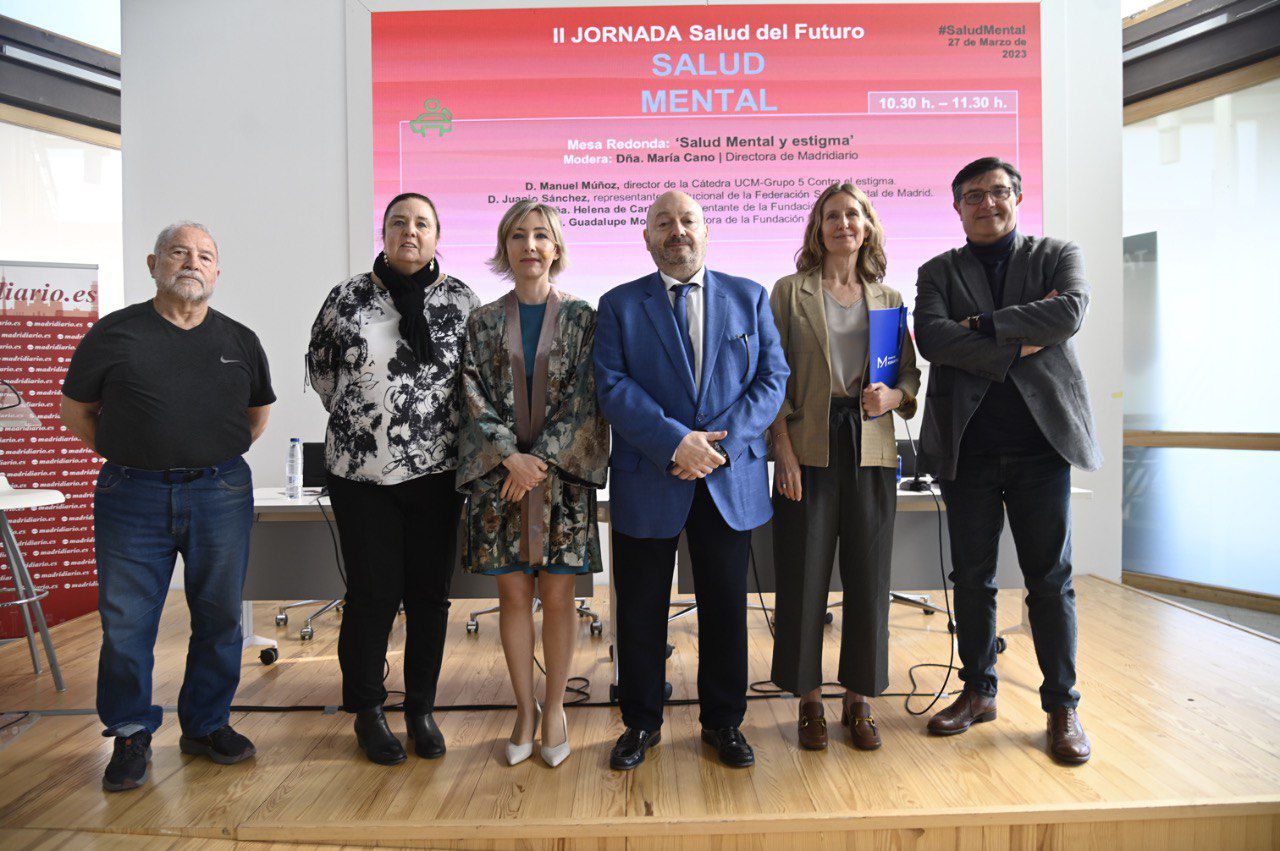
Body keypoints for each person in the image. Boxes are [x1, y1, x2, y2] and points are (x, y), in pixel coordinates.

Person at [60, 221, 274, 792]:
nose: (192, 262)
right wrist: (132, 451)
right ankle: (131, 732)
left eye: (205, 255)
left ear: (217, 272)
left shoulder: (240, 340)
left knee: (220, 617)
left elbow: (255, 418)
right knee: (127, 623)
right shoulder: (114, 334)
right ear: (154, 264)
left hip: (220, 492)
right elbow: (75, 411)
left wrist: (205, 456)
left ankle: (205, 726)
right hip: (132, 494)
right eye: (178, 252)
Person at [913, 156, 1102, 764]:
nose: (986, 204)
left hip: (1042, 448)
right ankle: (978, 691)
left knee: (1050, 581)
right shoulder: (936, 269)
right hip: (966, 450)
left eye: (997, 192)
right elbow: (934, 338)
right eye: (973, 195)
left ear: (1017, 197)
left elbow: (1068, 312)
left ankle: (1062, 706)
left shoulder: (1056, 256)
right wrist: (1020, 341)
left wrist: (984, 324)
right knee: (971, 580)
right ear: (957, 207)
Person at [594, 191, 788, 770]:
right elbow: (611, 385)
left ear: (707, 232)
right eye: (664, 223)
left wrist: (714, 448)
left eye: (687, 222)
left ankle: (724, 722)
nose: (677, 232)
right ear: (647, 238)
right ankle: (641, 723)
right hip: (651, 474)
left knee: (726, 609)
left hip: (727, 480)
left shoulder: (749, 297)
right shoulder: (620, 304)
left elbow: (772, 379)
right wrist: (675, 442)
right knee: (640, 610)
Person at [306, 192, 480, 765]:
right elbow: (324, 375)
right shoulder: (348, 297)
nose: (410, 231)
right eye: (399, 222)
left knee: (430, 598)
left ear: (437, 236)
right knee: (372, 597)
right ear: (383, 232)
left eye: (422, 223)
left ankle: (421, 711)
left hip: (438, 475)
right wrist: (371, 425)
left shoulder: (460, 300)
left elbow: (475, 384)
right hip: (362, 478)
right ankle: (368, 711)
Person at [768, 182, 921, 751]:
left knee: (869, 577)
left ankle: (859, 699)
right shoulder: (789, 292)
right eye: (831, 216)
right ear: (818, 228)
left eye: (852, 215)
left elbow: (909, 375)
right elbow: (770, 376)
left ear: (867, 226)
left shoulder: (887, 298)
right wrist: (781, 448)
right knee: (802, 575)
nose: (842, 224)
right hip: (807, 446)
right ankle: (808, 699)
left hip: (872, 446)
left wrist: (897, 397)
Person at [457, 200, 608, 768]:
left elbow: (588, 398)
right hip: (502, 482)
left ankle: (556, 707)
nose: (529, 245)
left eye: (541, 235)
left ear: (556, 248)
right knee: (513, 595)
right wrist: (509, 458)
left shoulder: (582, 317)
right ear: (505, 247)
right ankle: (523, 708)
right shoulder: (482, 320)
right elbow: (470, 394)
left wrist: (537, 460)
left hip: (561, 482)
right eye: (518, 235)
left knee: (560, 595)